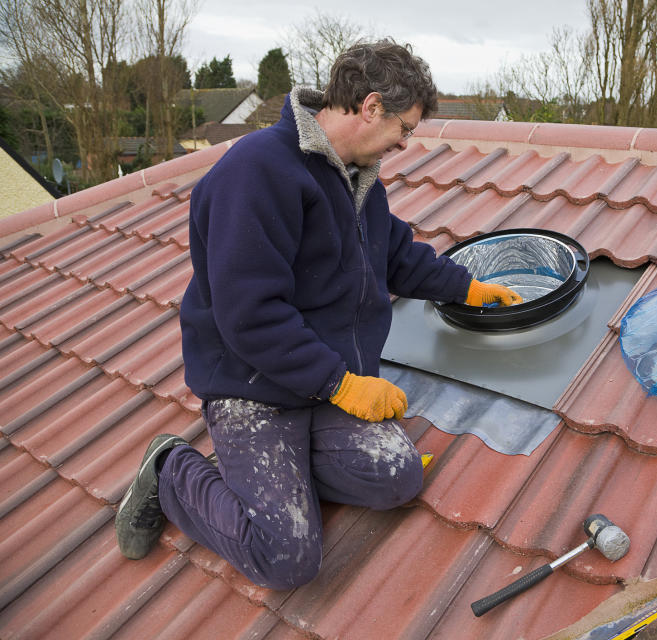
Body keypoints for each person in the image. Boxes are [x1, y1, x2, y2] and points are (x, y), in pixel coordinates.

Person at [114, 39, 522, 589]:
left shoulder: (354, 174)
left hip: (321, 383)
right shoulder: (257, 171)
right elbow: (250, 315)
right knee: (285, 558)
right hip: (255, 386)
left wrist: (467, 288)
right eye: (404, 127)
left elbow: (393, 252)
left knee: (396, 477)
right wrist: (340, 385)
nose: (405, 142)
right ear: (371, 106)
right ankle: (169, 471)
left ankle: (287, 472)